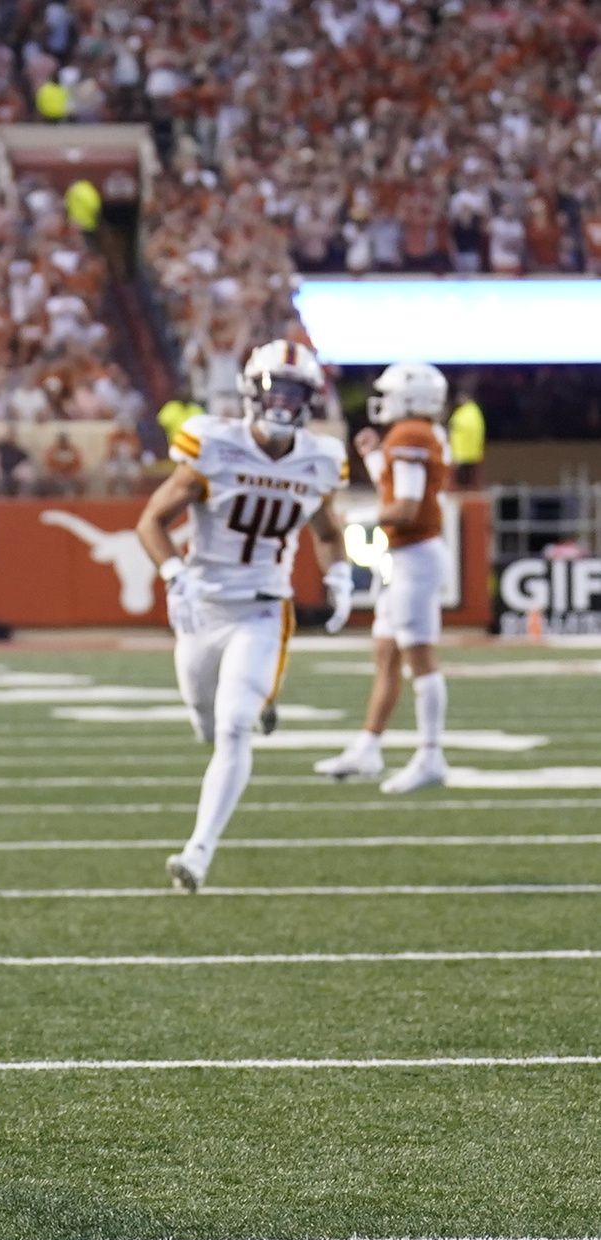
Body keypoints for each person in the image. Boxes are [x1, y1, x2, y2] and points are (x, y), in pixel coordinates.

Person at [137, 340, 351, 894]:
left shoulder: (321, 458)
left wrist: (338, 574)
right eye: (275, 387)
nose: (283, 401)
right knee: (205, 721)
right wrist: (174, 575)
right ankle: (261, 697)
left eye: (295, 391)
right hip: (202, 604)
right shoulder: (215, 444)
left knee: (233, 728)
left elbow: (327, 531)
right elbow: (151, 521)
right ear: (252, 390)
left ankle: (198, 852)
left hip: (262, 606)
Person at [316, 362, 452, 794]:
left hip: (414, 554)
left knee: (419, 657)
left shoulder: (411, 435)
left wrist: (355, 515)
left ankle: (431, 755)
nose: (383, 401)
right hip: (407, 557)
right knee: (386, 654)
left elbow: (407, 508)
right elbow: (400, 490)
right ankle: (369, 745)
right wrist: (375, 459)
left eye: (390, 393)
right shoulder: (416, 435)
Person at [448, 385, 485, 489]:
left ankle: (469, 488)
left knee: (468, 471)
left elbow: (471, 426)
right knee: (459, 471)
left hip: (467, 446)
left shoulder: (472, 410)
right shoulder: (461, 410)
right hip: (459, 446)